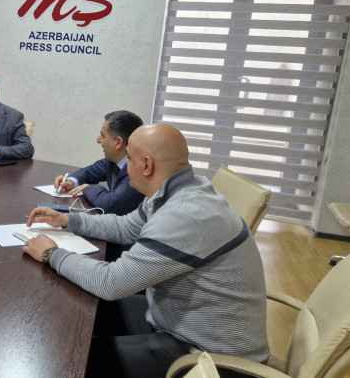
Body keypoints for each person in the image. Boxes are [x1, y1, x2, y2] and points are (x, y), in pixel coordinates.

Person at [25, 124, 268, 377]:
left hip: (212, 360)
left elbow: (111, 282)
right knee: (80, 311)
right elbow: (125, 227)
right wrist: (68, 220)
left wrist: (52, 254)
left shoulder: (184, 215)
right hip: (174, 318)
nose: (125, 165)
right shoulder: (178, 190)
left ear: (146, 165)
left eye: (129, 158)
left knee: (74, 358)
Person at [54, 110, 144, 215]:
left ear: (118, 142)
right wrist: (71, 181)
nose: (98, 140)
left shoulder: (137, 170)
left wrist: (88, 188)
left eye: (103, 136)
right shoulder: (112, 161)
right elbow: (90, 172)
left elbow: (110, 204)